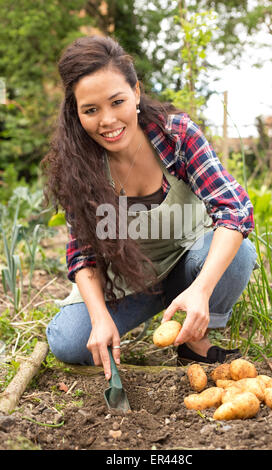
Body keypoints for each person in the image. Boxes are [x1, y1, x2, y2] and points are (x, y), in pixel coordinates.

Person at [41, 35, 257, 381]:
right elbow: (83, 255)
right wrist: (99, 319)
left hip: (190, 268)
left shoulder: (176, 136)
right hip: (129, 284)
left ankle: (195, 344)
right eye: (91, 110)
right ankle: (137, 317)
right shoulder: (79, 166)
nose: (107, 120)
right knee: (68, 342)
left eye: (117, 101)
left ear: (136, 92)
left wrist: (201, 290)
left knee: (239, 251)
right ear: (76, 112)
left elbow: (234, 211)